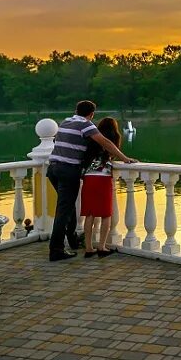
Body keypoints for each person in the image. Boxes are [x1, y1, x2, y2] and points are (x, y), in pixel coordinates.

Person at [46, 100, 136, 262]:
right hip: (68, 170)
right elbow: (105, 142)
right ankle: (56, 249)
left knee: (67, 207)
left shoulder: (65, 121)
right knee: (63, 211)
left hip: (53, 168)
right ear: (91, 114)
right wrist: (124, 158)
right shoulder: (86, 125)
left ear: (76, 110)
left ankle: (72, 239)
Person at [80, 117, 121, 257]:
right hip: (103, 179)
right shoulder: (111, 140)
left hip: (89, 178)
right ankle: (102, 247)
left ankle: (88, 248)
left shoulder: (92, 138)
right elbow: (112, 153)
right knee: (105, 214)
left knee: (89, 214)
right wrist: (126, 159)